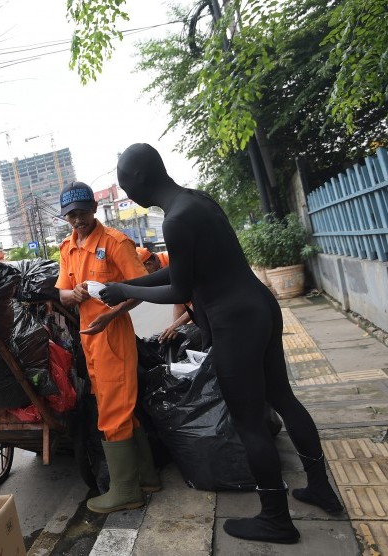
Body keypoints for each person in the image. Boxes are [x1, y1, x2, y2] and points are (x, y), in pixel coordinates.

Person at [99, 144, 342, 544]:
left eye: (126, 186)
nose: (128, 195)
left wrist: (124, 287)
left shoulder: (175, 221)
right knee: (283, 396)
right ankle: (320, 487)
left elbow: (181, 285)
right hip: (258, 304)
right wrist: (123, 288)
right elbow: (186, 270)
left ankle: (276, 519)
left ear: (141, 179)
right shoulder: (195, 201)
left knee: (248, 422)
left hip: (235, 321)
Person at [54, 181, 160, 513]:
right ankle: (146, 476)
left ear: (94, 209)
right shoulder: (66, 247)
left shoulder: (115, 242)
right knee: (117, 407)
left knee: (112, 413)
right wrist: (73, 296)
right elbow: (62, 292)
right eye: (71, 215)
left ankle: (126, 491)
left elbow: (139, 289)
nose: (77, 220)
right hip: (90, 340)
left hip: (112, 336)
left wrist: (109, 316)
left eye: (82, 212)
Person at [135, 246, 193, 343]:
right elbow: (179, 300)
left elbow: (202, 300)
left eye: (142, 273)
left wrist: (177, 325)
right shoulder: (159, 266)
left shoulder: (176, 263)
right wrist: (175, 327)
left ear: (149, 264)